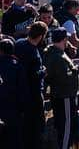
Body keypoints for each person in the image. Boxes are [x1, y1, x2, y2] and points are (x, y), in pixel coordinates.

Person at [44, 28, 79, 149]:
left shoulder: (54, 52)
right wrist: (76, 70)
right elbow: (63, 78)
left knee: (65, 127)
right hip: (64, 96)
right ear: (64, 39)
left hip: (61, 95)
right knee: (66, 127)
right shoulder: (58, 57)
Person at [15, 21, 48, 149]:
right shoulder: (33, 52)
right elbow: (34, 76)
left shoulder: (19, 44)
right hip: (33, 93)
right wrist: (43, 72)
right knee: (36, 126)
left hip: (18, 90)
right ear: (41, 36)